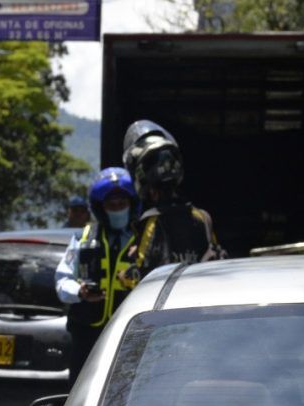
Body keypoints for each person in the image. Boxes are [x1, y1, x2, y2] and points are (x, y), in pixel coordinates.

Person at [54, 167, 139, 384]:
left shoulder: (143, 241)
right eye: (112, 205)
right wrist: (79, 292)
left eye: (122, 204)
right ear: (101, 208)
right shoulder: (83, 238)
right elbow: (62, 280)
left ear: (131, 205)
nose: (118, 209)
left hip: (131, 336)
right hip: (86, 337)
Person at [120, 119, 225, 285]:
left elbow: (141, 279)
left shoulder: (152, 222)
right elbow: (217, 262)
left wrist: (124, 276)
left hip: (168, 307)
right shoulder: (202, 217)